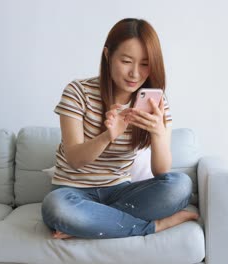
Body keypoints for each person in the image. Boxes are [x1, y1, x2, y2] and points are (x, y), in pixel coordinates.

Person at [41, 18, 199, 240]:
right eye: (126, 61)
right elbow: (75, 159)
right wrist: (108, 136)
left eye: (145, 64)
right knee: (56, 207)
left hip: (120, 192)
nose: (135, 73)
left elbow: (161, 172)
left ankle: (93, 223)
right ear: (108, 55)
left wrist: (158, 134)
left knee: (180, 185)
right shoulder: (77, 92)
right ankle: (154, 226)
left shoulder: (156, 103)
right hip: (72, 191)